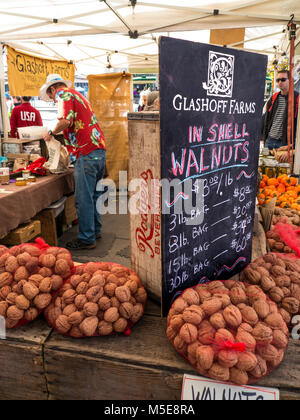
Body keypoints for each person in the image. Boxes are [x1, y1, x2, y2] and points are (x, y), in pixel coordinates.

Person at [40, 74, 106, 251]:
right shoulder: (78, 95)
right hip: (98, 149)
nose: (54, 100)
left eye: (51, 96)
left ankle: (86, 238)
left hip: (85, 151)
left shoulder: (63, 94)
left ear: (53, 89)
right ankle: (95, 231)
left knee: (84, 198)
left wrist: (51, 133)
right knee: (94, 195)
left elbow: (64, 121)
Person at [262, 70, 299, 159]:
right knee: (266, 168)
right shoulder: (274, 98)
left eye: (283, 79)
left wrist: (293, 146)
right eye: (278, 80)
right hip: (269, 141)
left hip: (286, 144)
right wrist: (264, 138)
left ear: (290, 80)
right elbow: (267, 120)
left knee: (283, 170)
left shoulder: (297, 99)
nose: (280, 82)